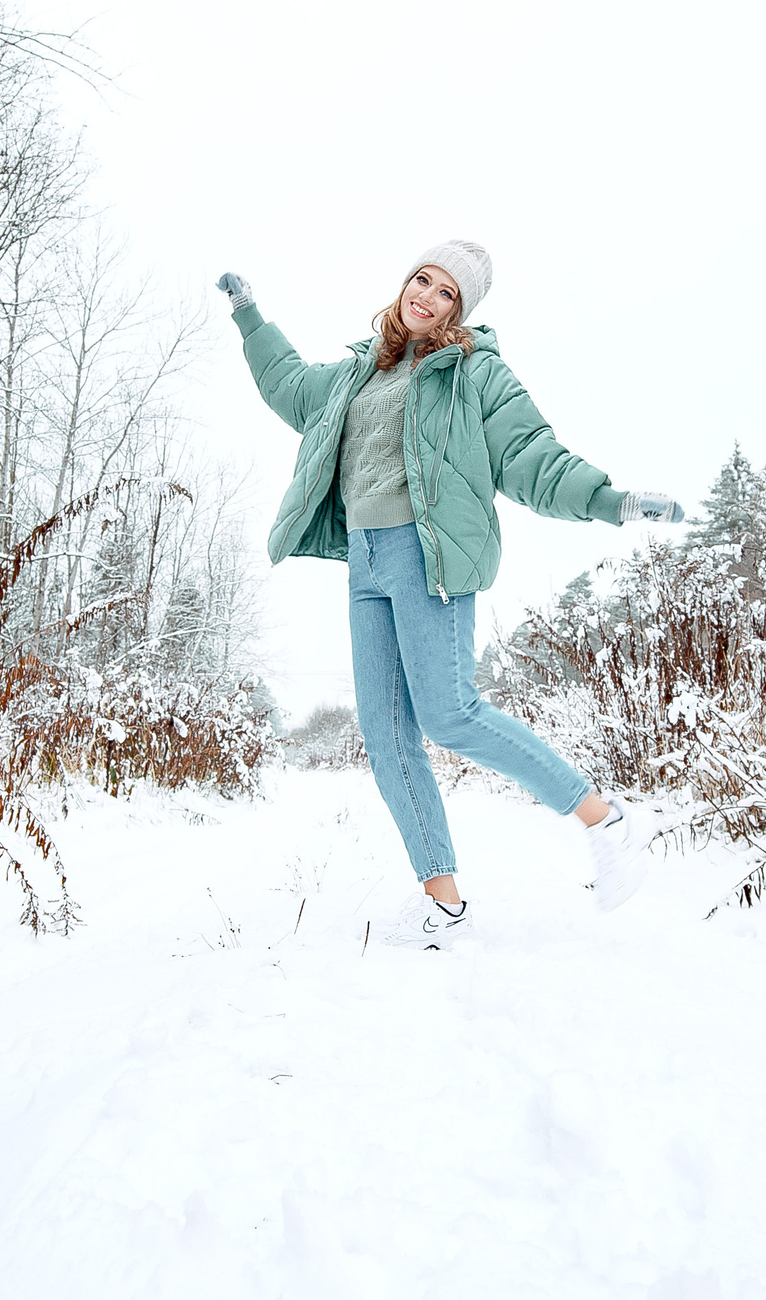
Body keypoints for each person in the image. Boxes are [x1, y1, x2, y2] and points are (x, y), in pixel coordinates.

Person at [216, 241, 684, 950]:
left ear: (460, 312)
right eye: (423, 279)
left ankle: (607, 819)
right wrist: (250, 315)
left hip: (425, 553)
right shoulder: (359, 372)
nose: (427, 297)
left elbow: (531, 456)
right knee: (386, 736)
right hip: (366, 561)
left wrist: (610, 502)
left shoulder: (475, 373)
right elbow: (289, 385)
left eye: (447, 294)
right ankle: (444, 904)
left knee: (449, 714)